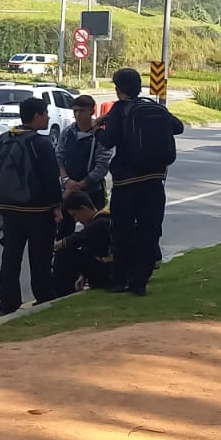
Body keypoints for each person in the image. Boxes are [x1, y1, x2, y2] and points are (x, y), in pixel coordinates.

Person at [95, 67, 184, 296]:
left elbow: (108, 140)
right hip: (155, 181)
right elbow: (178, 127)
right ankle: (140, 283)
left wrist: (97, 127)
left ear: (117, 89)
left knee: (123, 233)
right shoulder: (155, 107)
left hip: (127, 184)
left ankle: (119, 279)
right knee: (149, 231)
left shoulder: (120, 110)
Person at [0, 96, 63, 316]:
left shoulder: (3, 138)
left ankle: (7, 303)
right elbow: (50, 178)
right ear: (37, 116)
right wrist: (56, 207)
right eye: (46, 113)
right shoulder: (41, 143)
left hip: (10, 209)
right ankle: (43, 297)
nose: (48, 117)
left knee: (11, 257)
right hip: (38, 210)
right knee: (40, 257)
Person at [56, 93, 112, 239]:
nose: (78, 115)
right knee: (63, 230)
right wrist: (66, 180)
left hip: (92, 190)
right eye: (75, 111)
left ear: (92, 111)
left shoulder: (99, 135)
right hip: (68, 189)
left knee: (97, 231)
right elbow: (59, 157)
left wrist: (80, 185)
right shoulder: (68, 132)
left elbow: (102, 166)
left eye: (82, 111)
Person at [54, 190, 114, 294]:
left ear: (83, 209)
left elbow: (77, 239)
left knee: (63, 254)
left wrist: (54, 246)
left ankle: (62, 292)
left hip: (109, 268)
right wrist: (83, 276)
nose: (76, 220)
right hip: (107, 265)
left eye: (75, 215)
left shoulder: (99, 223)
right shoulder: (102, 220)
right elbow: (90, 252)